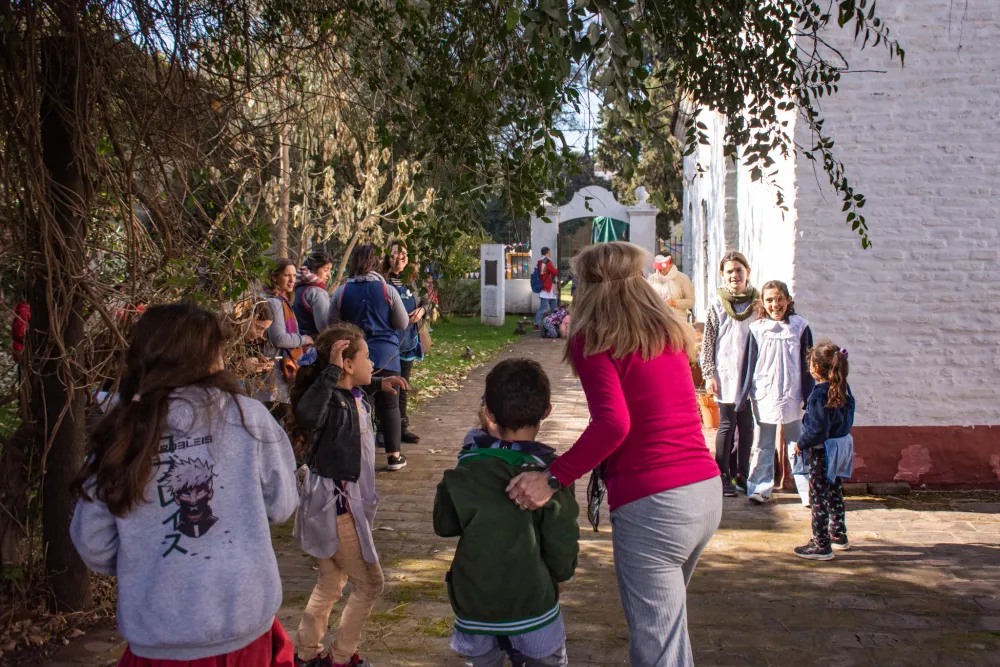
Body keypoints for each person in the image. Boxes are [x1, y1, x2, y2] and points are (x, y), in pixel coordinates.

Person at [507, 241, 721, 667]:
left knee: (657, 645)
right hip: (704, 492)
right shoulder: (669, 330)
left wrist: (553, 478)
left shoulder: (594, 339)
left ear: (588, 288)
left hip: (654, 505)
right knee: (668, 633)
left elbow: (613, 424)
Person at [69, 302, 299, 666]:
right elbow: (282, 504)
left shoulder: (122, 430)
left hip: (156, 636)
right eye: (219, 351)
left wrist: (147, 559)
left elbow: (94, 543)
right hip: (243, 628)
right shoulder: (248, 417)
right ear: (206, 358)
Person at [434, 359, 579, 667]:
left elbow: (444, 523)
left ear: (488, 414)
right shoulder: (552, 476)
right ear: (547, 411)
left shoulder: (469, 468)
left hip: (474, 604)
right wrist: (562, 576)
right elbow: (561, 537)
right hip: (532, 605)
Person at [290, 323, 407, 667]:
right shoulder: (331, 404)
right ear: (346, 365)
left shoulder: (351, 397)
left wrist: (378, 385)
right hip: (338, 510)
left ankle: (306, 654)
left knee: (330, 582)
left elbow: (349, 397)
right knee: (370, 584)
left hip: (337, 506)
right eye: (367, 358)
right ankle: (340, 659)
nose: (373, 363)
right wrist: (329, 371)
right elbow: (310, 414)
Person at [330, 244, 410, 471]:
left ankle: (359, 454)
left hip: (354, 356)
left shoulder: (343, 291)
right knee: (389, 404)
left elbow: (331, 322)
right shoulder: (387, 290)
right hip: (387, 355)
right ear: (376, 263)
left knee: (357, 403)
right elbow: (402, 323)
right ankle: (394, 456)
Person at [737, 280, 814, 505]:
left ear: (788, 300)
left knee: (797, 443)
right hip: (765, 393)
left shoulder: (800, 327)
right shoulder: (757, 328)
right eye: (769, 300)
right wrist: (743, 395)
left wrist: (809, 397)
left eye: (779, 299)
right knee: (763, 443)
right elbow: (749, 363)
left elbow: (807, 363)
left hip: (793, 393)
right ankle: (760, 486)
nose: (775, 304)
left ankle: (807, 488)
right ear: (763, 302)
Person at [700, 250, 758, 497]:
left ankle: (741, 474)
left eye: (739, 270)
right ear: (722, 276)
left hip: (750, 372)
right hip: (725, 371)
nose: (735, 275)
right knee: (726, 423)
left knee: (747, 425)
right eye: (730, 271)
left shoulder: (757, 303)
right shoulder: (717, 304)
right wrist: (708, 373)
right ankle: (722, 475)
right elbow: (709, 340)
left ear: (747, 272)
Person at [793, 343, 855, 560]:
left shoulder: (819, 394)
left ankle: (821, 543)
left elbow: (818, 429)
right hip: (842, 447)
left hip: (824, 452)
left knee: (818, 495)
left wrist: (801, 443)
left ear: (816, 368)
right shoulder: (843, 388)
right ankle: (838, 534)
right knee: (834, 491)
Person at [382, 239, 425, 444]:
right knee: (389, 386)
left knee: (404, 385)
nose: (400, 260)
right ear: (387, 258)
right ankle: (384, 429)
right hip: (389, 343)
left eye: (403, 256)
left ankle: (402, 426)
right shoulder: (382, 281)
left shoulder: (412, 280)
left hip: (408, 341)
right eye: (395, 256)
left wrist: (422, 310)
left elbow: (426, 301)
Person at [262, 259, 314, 414]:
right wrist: (304, 339)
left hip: (274, 372)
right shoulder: (274, 302)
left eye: (294, 275)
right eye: (287, 275)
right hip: (275, 372)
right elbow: (279, 338)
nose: (292, 280)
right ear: (273, 277)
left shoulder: (280, 300)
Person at [293, 250, 334, 338]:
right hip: (313, 343)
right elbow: (324, 328)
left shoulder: (297, 287)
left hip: (297, 340)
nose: (329, 275)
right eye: (326, 269)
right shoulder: (317, 292)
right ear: (314, 268)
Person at [646, 254, 695, 320]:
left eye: (663, 267)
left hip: (678, 322)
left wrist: (674, 302)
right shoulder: (652, 279)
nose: (661, 270)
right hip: (657, 321)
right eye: (659, 268)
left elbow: (691, 302)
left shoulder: (683, 278)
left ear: (671, 264)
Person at [533, 247, 559, 332]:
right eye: (549, 252)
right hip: (547, 288)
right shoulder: (546, 261)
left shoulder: (542, 262)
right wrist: (557, 269)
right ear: (548, 252)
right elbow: (554, 272)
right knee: (545, 308)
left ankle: (550, 324)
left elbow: (544, 274)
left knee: (553, 308)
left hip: (549, 288)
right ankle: (537, 324)